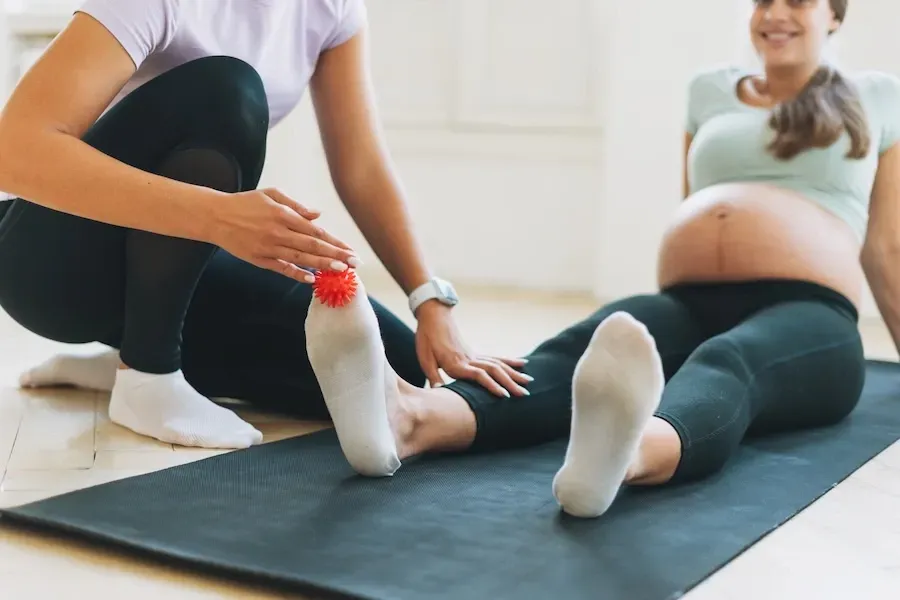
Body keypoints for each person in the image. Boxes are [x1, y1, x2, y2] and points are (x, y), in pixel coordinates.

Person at [299, 0, 900, 516]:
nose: (774, 13)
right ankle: (411, 418)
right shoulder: (709, 90)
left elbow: (886, 246)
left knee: (729, 361)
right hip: (689, 298)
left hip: (811, 309)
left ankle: (626, 454)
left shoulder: (878, 96)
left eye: (797, 0)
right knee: (576, 350)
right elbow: (698, 205)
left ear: (835, 14)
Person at [0, 0, 530, 450]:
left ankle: (131, 360)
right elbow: (15, 149)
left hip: (176, 270)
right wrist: (218, 216)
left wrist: (430, 301)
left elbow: (362, 166)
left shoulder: (331, 7)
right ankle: (147, 373)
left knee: (392, 373)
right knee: (227, 90)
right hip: (51, 265)